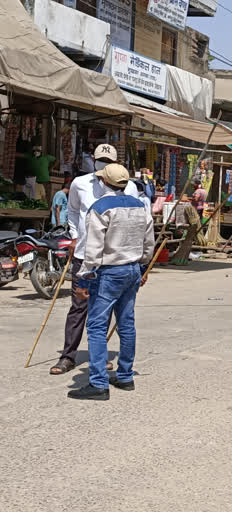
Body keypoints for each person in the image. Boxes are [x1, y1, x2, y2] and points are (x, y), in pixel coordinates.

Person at [67, 164, 154, 400]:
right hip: (132, 269)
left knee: (96, 326)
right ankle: (125, 375)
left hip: (108, 271)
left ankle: (98, 383)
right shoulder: (140, 205)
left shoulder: (99, 207)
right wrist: (143, 267)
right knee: (126, 324)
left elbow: (93, 248)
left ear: (104, 182)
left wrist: (85, 277)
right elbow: (149, 242)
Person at [49, 144, 139, 375]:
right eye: (100, 160)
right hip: (83, 254)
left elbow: (137, 224)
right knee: (78, 306)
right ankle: (68, 356)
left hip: (112, 259)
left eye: (108, 162)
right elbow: (72, 212)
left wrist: (139, 263)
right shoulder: (80, 183)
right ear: (93, 160)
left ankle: (99, 357)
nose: (103, 165)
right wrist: (74, 236)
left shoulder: (128, 188)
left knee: (104, 309)